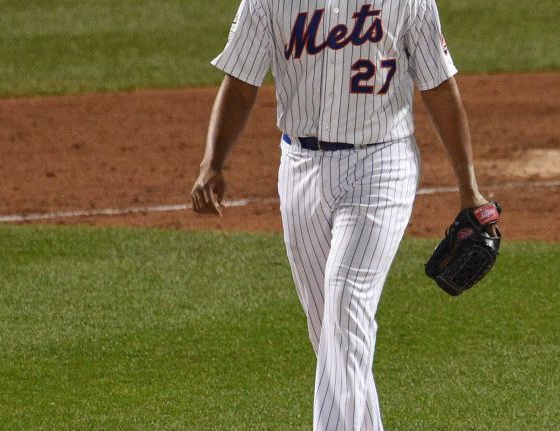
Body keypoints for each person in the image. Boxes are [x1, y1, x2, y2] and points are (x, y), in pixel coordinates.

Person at [191, 1, 495, 429]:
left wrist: (469, 191)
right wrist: (213, 162)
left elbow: (439, 86)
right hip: (299, 166)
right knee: (331, 334)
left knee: (344, 305)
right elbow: (240, 82)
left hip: (381, 164)